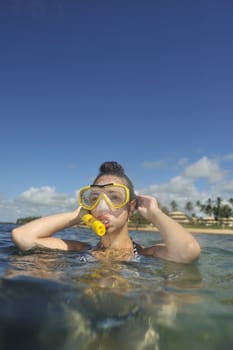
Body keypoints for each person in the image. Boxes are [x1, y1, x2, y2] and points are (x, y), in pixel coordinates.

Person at [11, 161, 200, 263]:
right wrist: (75, 216)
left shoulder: (145, 254)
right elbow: (22, 237)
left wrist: (155, 214)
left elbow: (187, 252)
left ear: (130, 207)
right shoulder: (80, 249)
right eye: (95, 199)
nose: (103, 207)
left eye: (115, 197)